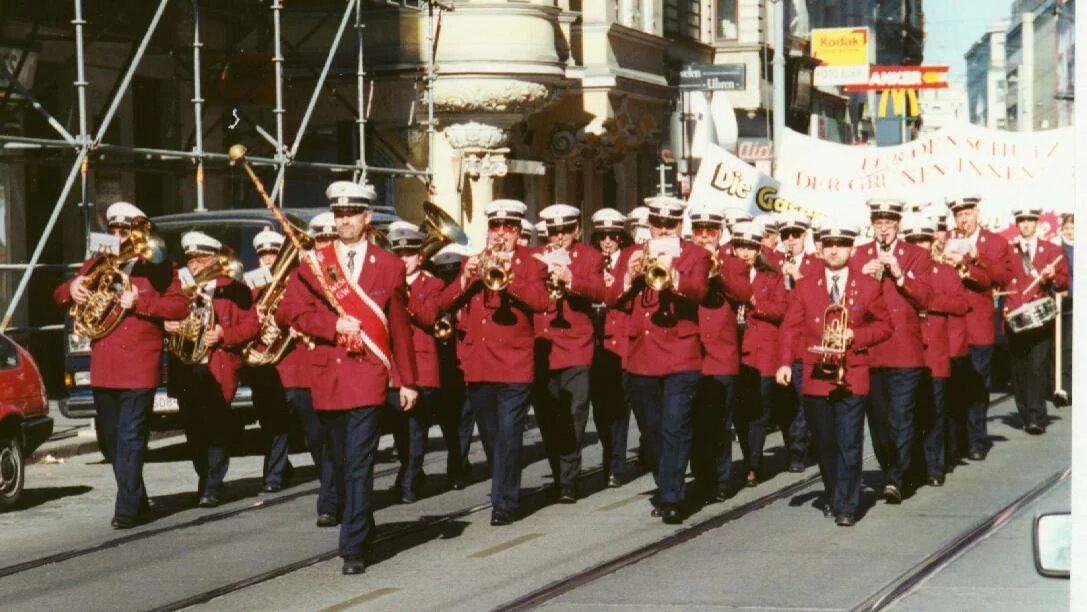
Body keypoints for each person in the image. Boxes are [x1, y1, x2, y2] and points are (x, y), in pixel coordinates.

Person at [277, 180, 418, 575]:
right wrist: (332, 324)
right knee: (337, 463)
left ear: (367, 217)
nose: (344, 221)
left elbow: (399, 326)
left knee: (359, 462)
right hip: (327, 377)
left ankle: (352, 547)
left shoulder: (388, 265)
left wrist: (407, 380)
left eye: (351, 214)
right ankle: (362, 523)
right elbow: (288, 313)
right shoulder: (314, 263)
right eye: (338, 214)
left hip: (368, 377)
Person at [53, 202, 188, 528]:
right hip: (105, 365)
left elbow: (180, 306)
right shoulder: (97, 262)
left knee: (130, 437)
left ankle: (125, 509)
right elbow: (58, 294)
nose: (119, 237)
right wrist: (73, 288)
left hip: (140, 365)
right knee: (111, 441)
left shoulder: (158, 266)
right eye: (114, 231)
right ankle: (137, 498)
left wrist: (140, 301)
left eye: (125, 231)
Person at [435, 199, 550, 526]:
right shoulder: (472, 263)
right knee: (491, 436)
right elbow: (441, 305)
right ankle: (503, 486)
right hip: (480, 364)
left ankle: (504, 502)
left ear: (518, 232)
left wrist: (508, 278)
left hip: (515, 363)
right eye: (496, 228)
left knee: (510, 433)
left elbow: (541, 302)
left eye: (509, 229)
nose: (501, 235)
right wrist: (466, 278)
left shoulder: (532, 263)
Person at [776, 220, 891, 526]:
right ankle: (833, 493)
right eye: (828, 245)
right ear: (820, 249)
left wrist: (857, 336)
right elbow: (790, 327)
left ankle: (847, 505)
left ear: (851, 249)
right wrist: (785, 363)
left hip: (852, 373)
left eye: (840, 245)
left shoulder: (868, 285)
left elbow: (884, 326)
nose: (834, 250)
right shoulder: (805, 286)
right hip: (817, 375)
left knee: (849, 440)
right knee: (825, 442)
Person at [605, 196, 711, 524]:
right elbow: (609, 298)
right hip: (643, 356)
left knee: (675, 426)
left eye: (669, 224)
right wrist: (630, 277)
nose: (663, 229)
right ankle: (665, 480)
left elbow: (699, 292)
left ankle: (671, 496)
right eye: (657, 224)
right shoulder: (630, 254)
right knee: (651, 430)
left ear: (680, 225)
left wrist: (673, 276)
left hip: (681, 354)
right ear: (649, 224)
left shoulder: (696, 254)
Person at [165, 231, 259, 509]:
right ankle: (205, 477)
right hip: (187, 366)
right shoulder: (178, 286)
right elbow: (163, 312)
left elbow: (252, 326)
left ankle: (212, 486)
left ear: (215, 259)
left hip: (218, 367)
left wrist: (222, 334)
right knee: (194, 429)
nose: (195, 265)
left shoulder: (234, 287)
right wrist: (167, 324)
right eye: (191, 259)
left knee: (217, 426)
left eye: (201, 259)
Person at [850, 198, 932, 504]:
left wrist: (900, 275)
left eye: (888, 223)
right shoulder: (858, 255)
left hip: (905, 350)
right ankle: (891, 468)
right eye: (878, 224)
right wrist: (862, 278)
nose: (883, 229)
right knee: (879, 420)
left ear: (898, 223)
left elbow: (925, 298)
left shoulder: (916, 255)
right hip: (872, 349)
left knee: (901, 416)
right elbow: (848, 298)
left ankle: (897, 477)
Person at [531, 204, 606, 503]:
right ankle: (558, 471)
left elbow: (600, 292)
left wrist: (570, 279)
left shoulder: (590, 256)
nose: (559, 236)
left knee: (574, 412)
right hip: (543, 344)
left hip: (575, 346)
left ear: (576, 229)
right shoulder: (536, 256)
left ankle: (569, 480)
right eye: (553, 231)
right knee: (548, 415)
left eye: (565, 230)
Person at [688, 204, 751, 502]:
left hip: (721, 358)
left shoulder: (732, 263)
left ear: (719, 234)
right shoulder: (683, 260)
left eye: (709, 232)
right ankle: (702, 477)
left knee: (720, 424)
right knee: (693, 422)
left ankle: (722, 479)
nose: (703, 238)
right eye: (698, 232)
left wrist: (718, 272)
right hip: (690, 355)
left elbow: (743, 294)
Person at [900, 213, 968, 487]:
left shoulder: (945, 273)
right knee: (906, 413)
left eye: (923, 241)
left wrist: (929, 302)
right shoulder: (897, 275)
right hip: (905, 354)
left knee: (935, 411)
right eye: (913, 241)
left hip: (935, 355)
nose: (918, 246)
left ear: (933, 243)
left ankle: (935, 466)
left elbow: (962, 305)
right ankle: (912, 467)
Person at [943, 195, 1012, 460]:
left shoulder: (995, 243)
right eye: (958, 214)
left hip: (979, 326)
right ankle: (958, 441)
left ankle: (976, 440)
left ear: (977, 213)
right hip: (953, 327)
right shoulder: (948, 242)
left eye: (967, 213)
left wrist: (977, 257)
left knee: (977, 386)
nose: (963, 219)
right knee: (955, 385)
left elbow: (1004, 277)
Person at [385, 221, 445, 503]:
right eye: (398, 255)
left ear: (420, 257)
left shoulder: (433, 284)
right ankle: (409, 472)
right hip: (393, 368)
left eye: (409, 254)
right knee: (399, 429)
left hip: (421, 368)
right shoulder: (385, 283)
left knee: (416, 427)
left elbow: (429, 317)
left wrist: (404, 296)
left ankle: (410, 481)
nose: (403, 260)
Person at [1002, 207, 1070, 434]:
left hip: (1040, 317)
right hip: (1015, 316)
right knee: (1018, 368)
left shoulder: (1052, 250)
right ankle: (1024, 412)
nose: (1026, 225)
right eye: (1022, 221)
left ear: (1037, 222)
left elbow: (1063, 283)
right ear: (1017, 224)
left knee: (1038, 366)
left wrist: (1053, 276)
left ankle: (1037, 417)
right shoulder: (1007, 250)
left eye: (1030, 221)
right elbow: (999, 278)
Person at [733, 221, 787, 487]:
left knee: (759, 409)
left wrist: (756, 303)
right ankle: (747, 456)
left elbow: (781, 310)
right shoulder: (725, 273)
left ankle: (753, 463)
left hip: (763, 351)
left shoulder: (771, 274)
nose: (744, 253)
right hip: (736, 351)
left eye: (750, 248)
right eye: (740, 247)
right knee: (740, 410)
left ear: (758, 250)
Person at [242, 227, 294, 494]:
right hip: (260, 359)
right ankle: (280, 467)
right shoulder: (249, 283)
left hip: (287, 358)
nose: (269, 259)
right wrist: (255, 316)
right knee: (270, 418)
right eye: (264, 255)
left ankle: (274, 473)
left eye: (274, 253)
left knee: (284, 417)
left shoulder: (291, 282)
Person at [588, 208, 633, 487]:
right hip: (594, 346)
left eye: (612, 236)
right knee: (600, 410)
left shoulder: (629, 263)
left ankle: (616, 463)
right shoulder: (591, 263)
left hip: (621, 346)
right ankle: (609, 455)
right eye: (602, 236)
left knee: (620, 409)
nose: (607, 242)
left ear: (621, 238)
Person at [777, 210, 823, 472]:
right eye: (786, 236)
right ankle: (795, 444)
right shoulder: (774, 263)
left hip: (806, 342)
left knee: (805, 399)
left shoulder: (816, 265)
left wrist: (799, 278)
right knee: (788, 402)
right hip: (782, 343)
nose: (791, 240)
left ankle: (798, 449)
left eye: (796, 235)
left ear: (805, 236)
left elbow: (820, 298)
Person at [429, 243, 475, 489]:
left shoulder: (466, 289)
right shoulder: (436, 290)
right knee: (448, 417)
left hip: (465, 360)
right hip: (444, 363)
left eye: (451, 271)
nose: (446, 276)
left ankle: (458, 460)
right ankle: (456, 456)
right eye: (442, 271)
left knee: (466, 415)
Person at [1055, 212, 1073, 407]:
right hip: (1067, 305)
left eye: (1072, 228)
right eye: (1066, 228)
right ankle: (1066, 388)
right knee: (1067, 348)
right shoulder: (1059, 249)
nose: (1070, 232)